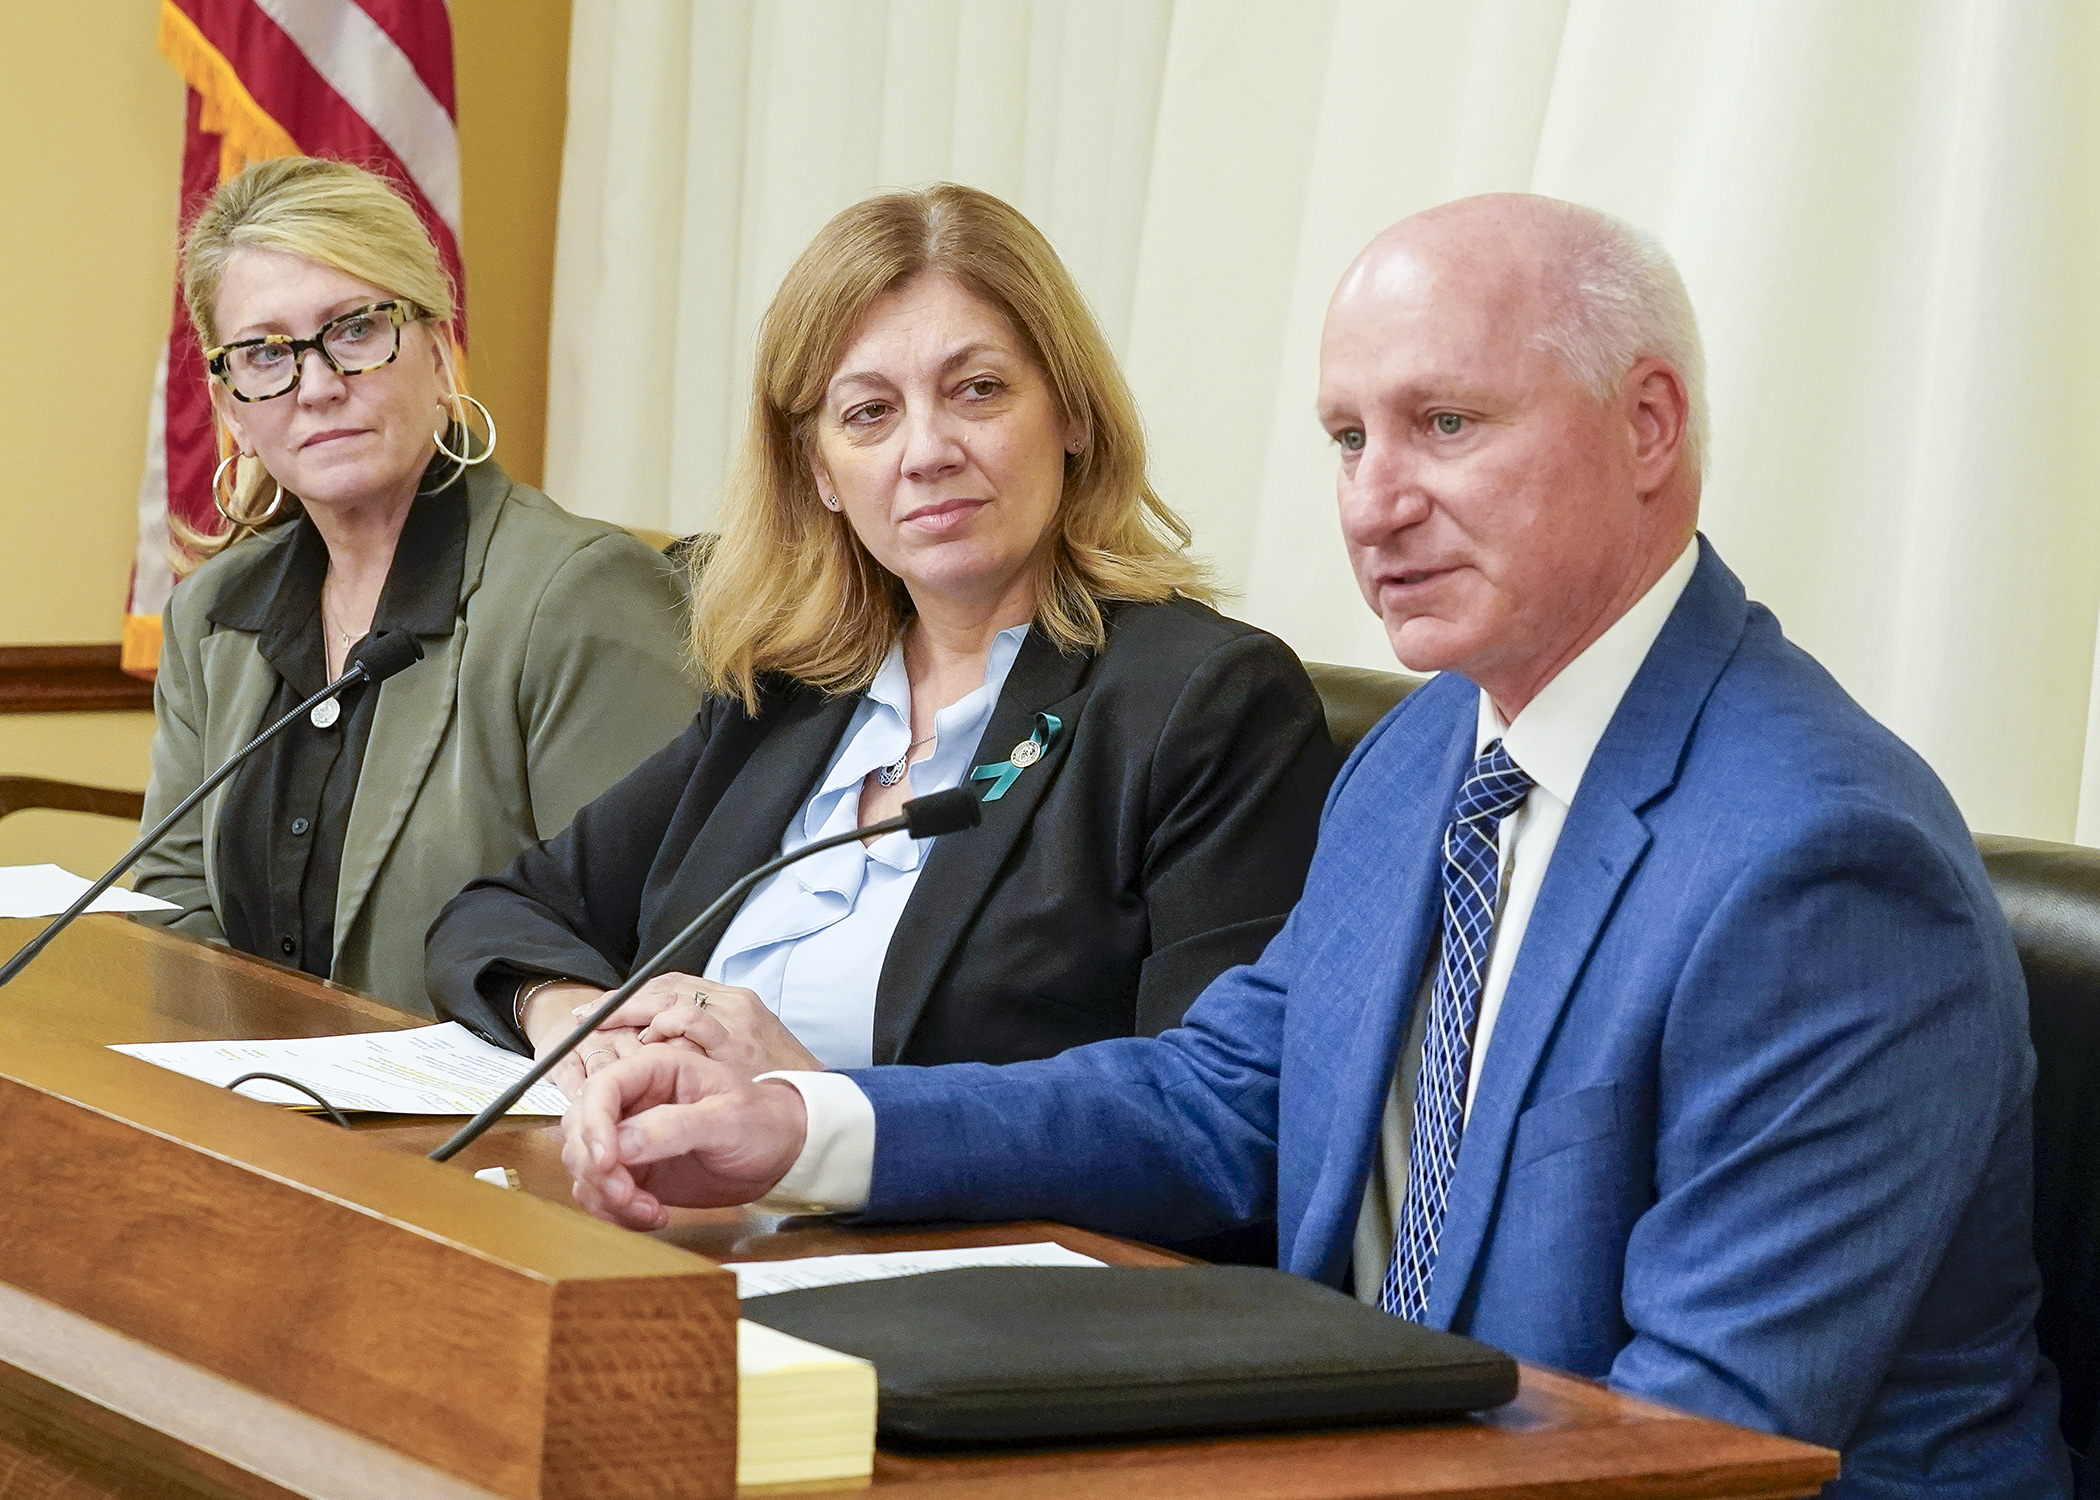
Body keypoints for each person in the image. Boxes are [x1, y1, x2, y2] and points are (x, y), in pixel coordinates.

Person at [559, 195, 2072, 1495]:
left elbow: (1689, 1441)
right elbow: (1225, 1097)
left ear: (1649, 425)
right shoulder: (1433, 749)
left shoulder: (1824, 865)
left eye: (1448, 426)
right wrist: (802, 1127)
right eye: (1349, 438)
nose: (1375, 502)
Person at [424, 184, 1338, 1101]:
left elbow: (1208, 1111)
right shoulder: (787, 697)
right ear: (819, 470)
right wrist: (578, 1020)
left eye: (977, 390)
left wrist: (818, 1115)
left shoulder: (1205, 703)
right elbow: (499, 914)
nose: (927, 450)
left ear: (1073, 414)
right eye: (869, 412)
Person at [135, 157, 696, 1016]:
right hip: (259, 1114)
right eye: (264, 352)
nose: (317, 386)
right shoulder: (212, 614)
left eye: (356, 329)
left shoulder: (577, 595)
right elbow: (175, 907)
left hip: (500, 1127)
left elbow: (656, 942)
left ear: (439, 353)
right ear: (232, 406)